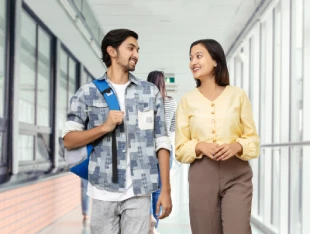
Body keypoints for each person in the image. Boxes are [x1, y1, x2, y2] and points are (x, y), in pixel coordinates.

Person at [62, 29, 172, 234]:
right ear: (111, 51)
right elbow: (68, 140)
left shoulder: (149, 92)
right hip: (102, 191)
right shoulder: (88, 92)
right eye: (131, 48)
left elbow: (162, 141)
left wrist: (165, 189)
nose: (136, 54)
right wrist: (104, 127)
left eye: (138, 50)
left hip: (140, 191)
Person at [175, 39, 260, 234]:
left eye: (198, 56)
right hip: (201, 176)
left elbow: (253, 140)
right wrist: (200, 146)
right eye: (190, 58)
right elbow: (180, 149)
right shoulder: (187, 100)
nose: (192, 62)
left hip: (237, 174)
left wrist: (236, 146)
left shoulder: (238, 96)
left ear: (215, 60)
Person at [147, 71, 177, 233]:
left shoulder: (143, 100)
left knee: (145, 188)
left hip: (146, 148)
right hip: (164, 148)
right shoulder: (171, 102)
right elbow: (173, 127)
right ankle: (155, 227)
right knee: (159, 189)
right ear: (164, 84)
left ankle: (148, 217)